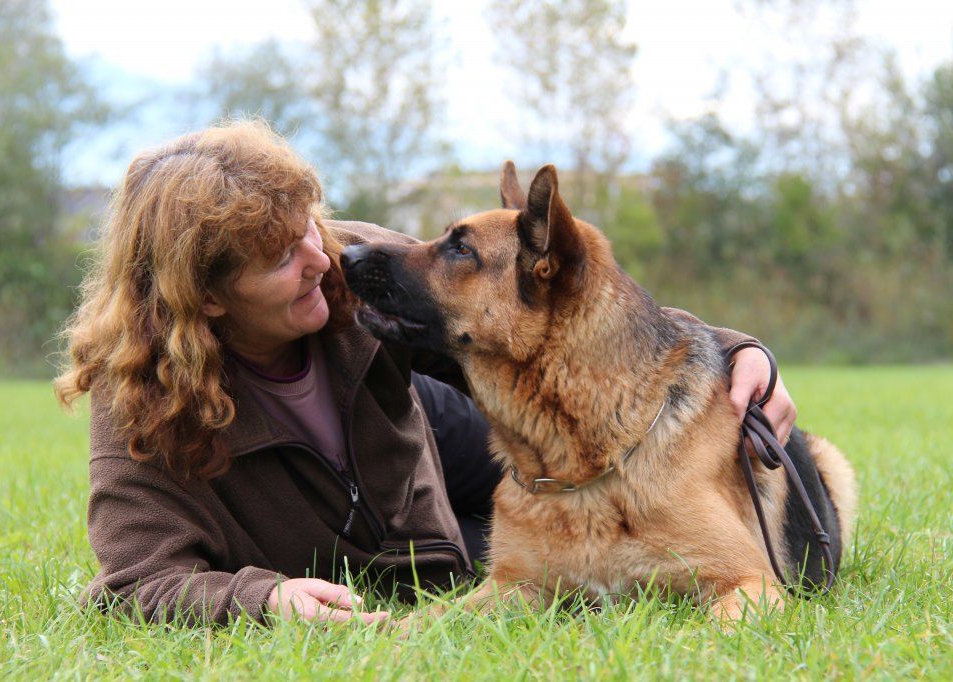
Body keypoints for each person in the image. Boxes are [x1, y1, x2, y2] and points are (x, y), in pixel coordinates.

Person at [55, 120, 797, 626]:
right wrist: (262, 600)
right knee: (552, 571)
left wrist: (738, 352)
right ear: (206, 298)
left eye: (310, 226)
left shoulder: (346, 264)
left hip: (449, 440)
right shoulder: (140, 399)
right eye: (283, 258)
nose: (325, 258)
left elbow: (574, 319)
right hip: (414, 539)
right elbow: (135, 580)